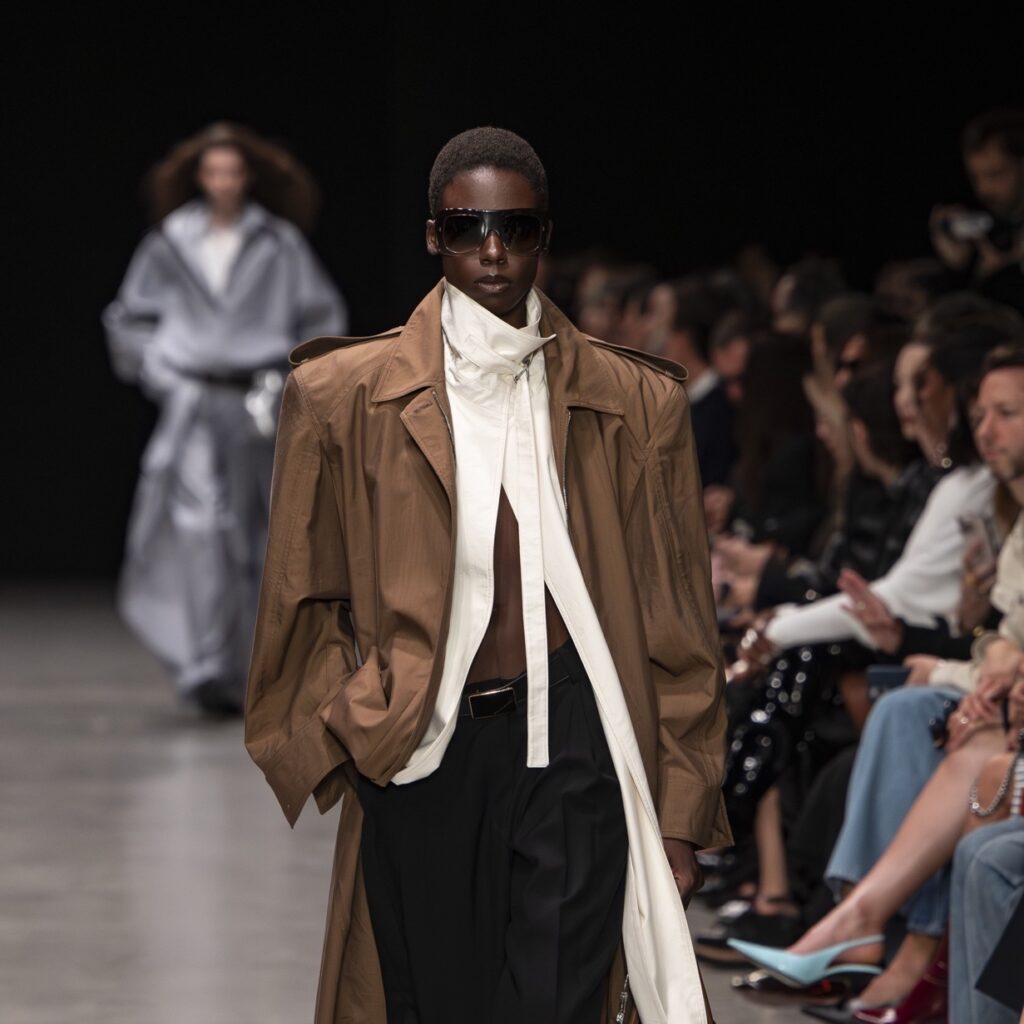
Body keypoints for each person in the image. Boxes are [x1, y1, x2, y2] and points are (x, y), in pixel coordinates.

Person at [244, 127, 730, 1024]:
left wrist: (681, 810)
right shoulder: (341, 395)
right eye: (468, 227)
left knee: (558, 1001)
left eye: (517, 227)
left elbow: (678, 625)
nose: (493, 249)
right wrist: (354, 722)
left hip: (579, 732)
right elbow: (300, 597)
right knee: (442, 1004)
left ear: (547, 236)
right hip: (424, 741)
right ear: (434, 235)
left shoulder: (637, 402)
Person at [104, 122, 346, 714]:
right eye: (213, 171)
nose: (223, 182)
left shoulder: (279, 243)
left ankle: (250, 669)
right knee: (196, 529)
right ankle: (206, 663)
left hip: (257, 400)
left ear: (248, 177)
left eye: (233, 172)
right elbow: (128, 318)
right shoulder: (171, 242)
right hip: (192, 401)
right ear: (198, 177)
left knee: (259, 532)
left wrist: (293, 381)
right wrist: (161, 372)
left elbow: (320, 318)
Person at [930, 109, 1024, 314]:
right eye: (975, 177)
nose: (983, 190)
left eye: (995, 174)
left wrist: (1001, 275)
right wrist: (958, 267)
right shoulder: (996, 231)